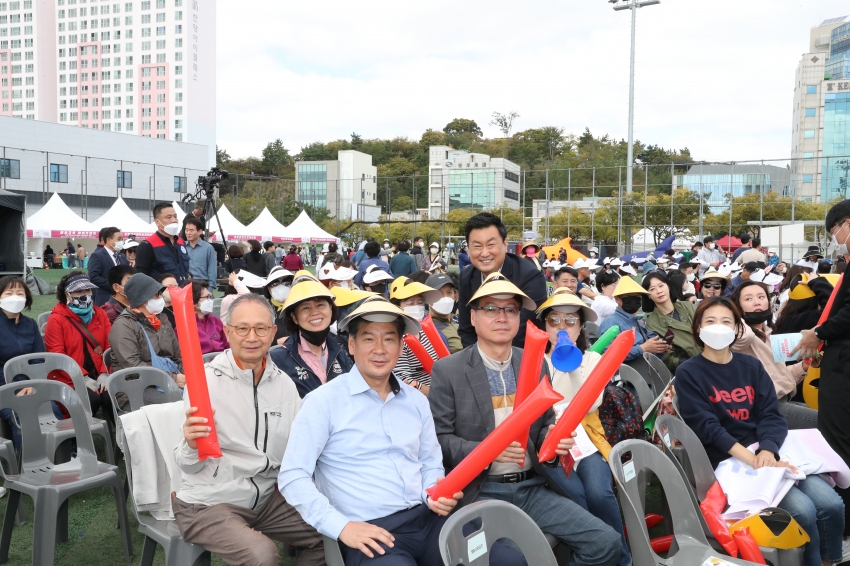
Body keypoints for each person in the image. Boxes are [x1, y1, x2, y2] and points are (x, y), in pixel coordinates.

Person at [278, 298, 523, 566]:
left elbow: (430, 461)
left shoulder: (416, 401)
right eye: (369, 339)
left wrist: (434, 492)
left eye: (389, 339)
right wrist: (342, 526)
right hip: (372, 531)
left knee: (504, 560)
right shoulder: (323, 402)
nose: (380, 349)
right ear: (352, 344)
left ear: (401, 346)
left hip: (429, 521)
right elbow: (293, 475)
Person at [429, 273, 622, 566]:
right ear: (473, 316)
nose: (502, 316)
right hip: (484, 490)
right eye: (491, 308)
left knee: (606, 542)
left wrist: (552, 437)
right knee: (517, 560)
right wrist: (487, 451)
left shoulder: (532, 361)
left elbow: (543, 423)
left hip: (532, 487)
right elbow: (440, 440)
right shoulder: (449, 370)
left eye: (511, 309)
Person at [675, 296, 846, 566]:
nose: (718, 327)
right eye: (710, 321)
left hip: (771, 452)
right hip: (732, 460)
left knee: (832, 505)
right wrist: (753, 459)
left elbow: (770, 413)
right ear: (698, 328)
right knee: (802, 511)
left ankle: (830, 560)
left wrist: (767, 449)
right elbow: (709, 428)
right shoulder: (688, 372)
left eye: (726, 321)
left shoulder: (751, 366)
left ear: (736, 329)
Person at [174, 293, 324, 566]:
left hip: (265, 499)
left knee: (330, 531)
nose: (252, 337)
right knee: (262, 555)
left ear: (273, 332)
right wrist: (190, 445)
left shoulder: (283, 384)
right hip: (208, 502)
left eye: (261, 328)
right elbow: (187, 464)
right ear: (227, 332)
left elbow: (301, 444)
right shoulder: (204, 383)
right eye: (242, 328)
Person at [536, 289, 631, 566]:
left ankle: (621, 558)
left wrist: (571, 360)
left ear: (580, 327)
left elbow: (590, 404)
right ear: (545, 326)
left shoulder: (591, 360)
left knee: (599, 493)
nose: (561, 328)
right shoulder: (534, 361)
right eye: (554, 321)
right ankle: (592, 552)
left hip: (585, 441)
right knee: (575, 495)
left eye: (570, 321)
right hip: (550, 444)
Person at [730, 281, 817, 430]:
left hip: (782, 401)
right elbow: (744, 337)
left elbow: (778, 378)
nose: (757, 302)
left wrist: (803, 366)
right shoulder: (738, 335)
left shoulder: (768, 332)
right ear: (737, 307)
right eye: (748, 299)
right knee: (831, 424)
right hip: (764, 408)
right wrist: (735, 316)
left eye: (761, 297)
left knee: (832, 416)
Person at [458, 212, 547, 348]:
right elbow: (466, 330)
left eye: (491, 245)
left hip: (520, 356)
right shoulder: (466, 277)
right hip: (480, 355)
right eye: (477, 246)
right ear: (468, 250)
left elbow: (522, 332)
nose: (485, 253)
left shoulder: (530, 277)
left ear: (505, 245)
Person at [43, 272, 114, 425]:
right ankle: (77, 439)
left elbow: (110, 346)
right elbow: (57, 356)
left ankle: (123, 443)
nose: (85, 294)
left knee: (111, 396)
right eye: (79, 291)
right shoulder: (56, 319)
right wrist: (81, 378)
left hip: (98, 373)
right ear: (66, 294)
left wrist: (104, 373)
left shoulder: (99, 313)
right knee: (91, 400)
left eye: (88, 290)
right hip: (67, 377)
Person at [270, 271, 352, 398]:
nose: (315, 312)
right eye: (305, 308)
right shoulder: (278, 359)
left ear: (331, 309)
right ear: (294, 317)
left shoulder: (341, 350)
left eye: (320, 305)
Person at [109, 273, 185, 402]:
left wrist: (187, 376)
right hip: (134, 388)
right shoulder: (123, 325)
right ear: (142, 298)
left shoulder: (163, 320)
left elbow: (178, 356)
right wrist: (172, 378)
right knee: (177, 401)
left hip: (170, 379)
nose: (161, 298)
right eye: (157, 295)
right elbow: (133, 367)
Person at [0, 275, 44, 450]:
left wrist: (33, 385)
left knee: (52, 407)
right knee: (22, 412)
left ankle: (63, 454)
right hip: (4, 387)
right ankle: (31, 460)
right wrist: (12, 389)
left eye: (20, 293)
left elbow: (39, 359)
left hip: (30, 384)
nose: (15, 297)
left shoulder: (30, 324)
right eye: (8, 293)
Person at [389, 276, 445, 393]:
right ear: (397, 306)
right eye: (411, 303)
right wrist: (437, 396)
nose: (417, 307)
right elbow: (403, 380)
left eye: (420, 303)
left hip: (443, 387)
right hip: (421, 399)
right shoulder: (397, 338)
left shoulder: (425, 330)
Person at [598, 275, 670, 362]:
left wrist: (660, 347)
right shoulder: (610, 322)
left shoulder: (638, 323)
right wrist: (642, 348)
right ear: (617, 299)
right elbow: (610, 354)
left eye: (636, 296)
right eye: (628, 296)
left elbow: (651, 342)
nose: (634, 300)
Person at [642, 271, 700, 374]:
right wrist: (690, 363)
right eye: (652, 289)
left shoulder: (688, 306)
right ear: (648, 296)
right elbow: (668, 358)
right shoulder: (653, 324)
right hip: (690, 370)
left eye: (661, 285)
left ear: (668, 286)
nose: (659, 291)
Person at [136, 202, 191, 283]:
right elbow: (141, 278)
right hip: (162, 293)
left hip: (183, 292)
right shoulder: (148, 245)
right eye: (169, 217)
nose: (174, 220)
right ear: (157, 222)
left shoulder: (181, 242)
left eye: (175, 216)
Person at [88, 226, 129, 306]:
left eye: (122, 239)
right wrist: (114, 287)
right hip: (105, 298)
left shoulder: (122, 257)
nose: (121, 241)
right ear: (109, 240)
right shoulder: (97, 255)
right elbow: (93, 276)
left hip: (123, 300)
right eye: (119, 239)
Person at [425, 272, 462, 354]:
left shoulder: (459, 320)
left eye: (449, 293)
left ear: (455, 295)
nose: (445, 297)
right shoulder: (428, 327)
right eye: (439, 294)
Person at [191, 281, 228, 354]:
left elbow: (228, 345)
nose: (210, 301)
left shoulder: (216, 321)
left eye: (210, 297)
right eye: (207, 297)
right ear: (194, 302)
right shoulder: (185, 327)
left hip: (222, 361)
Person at [261, 266, 295, 345]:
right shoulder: (262, 309)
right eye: (275, 283)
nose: (281, 286)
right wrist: (277, 342)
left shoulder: (298, 306)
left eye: (286, 281)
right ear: (269, 288)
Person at [184, 218, 218, 291]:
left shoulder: (208, 248)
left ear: (199, 232)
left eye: (191, 230)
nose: (188, 233)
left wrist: (210, 289)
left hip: (202, 284)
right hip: (184, 284)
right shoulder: (181, 246)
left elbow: (212, 270)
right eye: (186, 230)